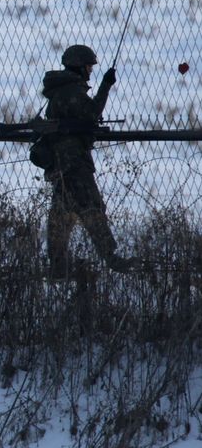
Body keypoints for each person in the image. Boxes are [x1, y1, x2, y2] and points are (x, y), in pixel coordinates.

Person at [40, 44, 132, 277]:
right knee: (91, 207)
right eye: (89, 66)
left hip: (63, 163)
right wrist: (106, 85)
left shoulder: (62, 90)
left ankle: (58, 264)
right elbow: (91, 113)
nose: (90, 71)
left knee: (62, 212)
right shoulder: (71, 91)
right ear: (80, 66)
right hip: (74, 163)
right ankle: (111, 258)